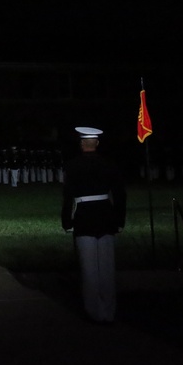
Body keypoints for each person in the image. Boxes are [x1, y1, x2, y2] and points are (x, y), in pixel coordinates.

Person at [61, 126, 126, 324]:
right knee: (106, 267)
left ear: (82, 144)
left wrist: (66, 221)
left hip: (84, 217)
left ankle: (93, 311)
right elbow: (120, 194)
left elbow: (68, 196)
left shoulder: (72, 166)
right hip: (106, 217)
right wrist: (119, 220)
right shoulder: (109, 164)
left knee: (89, 269)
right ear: (97, 143)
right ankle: (108, 311)